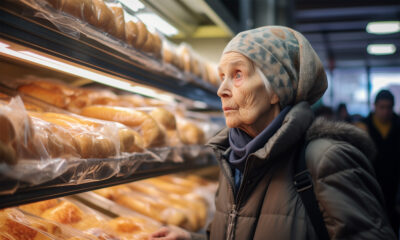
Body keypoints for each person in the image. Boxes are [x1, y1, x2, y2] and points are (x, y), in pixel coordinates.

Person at [149, 26, 396, 240]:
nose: (221, 90)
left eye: (237, 75)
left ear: (276, 89)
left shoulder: (326, 160)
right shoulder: (233, 159)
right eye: (222, 76)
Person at [357, 89, 400, 235]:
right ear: (374, 106)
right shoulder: (363, 126)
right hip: (370, 180)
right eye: (382, 107)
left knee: (392, 221)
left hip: (394, 182)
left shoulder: (398, 125)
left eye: (389, 107)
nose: (385, 111)